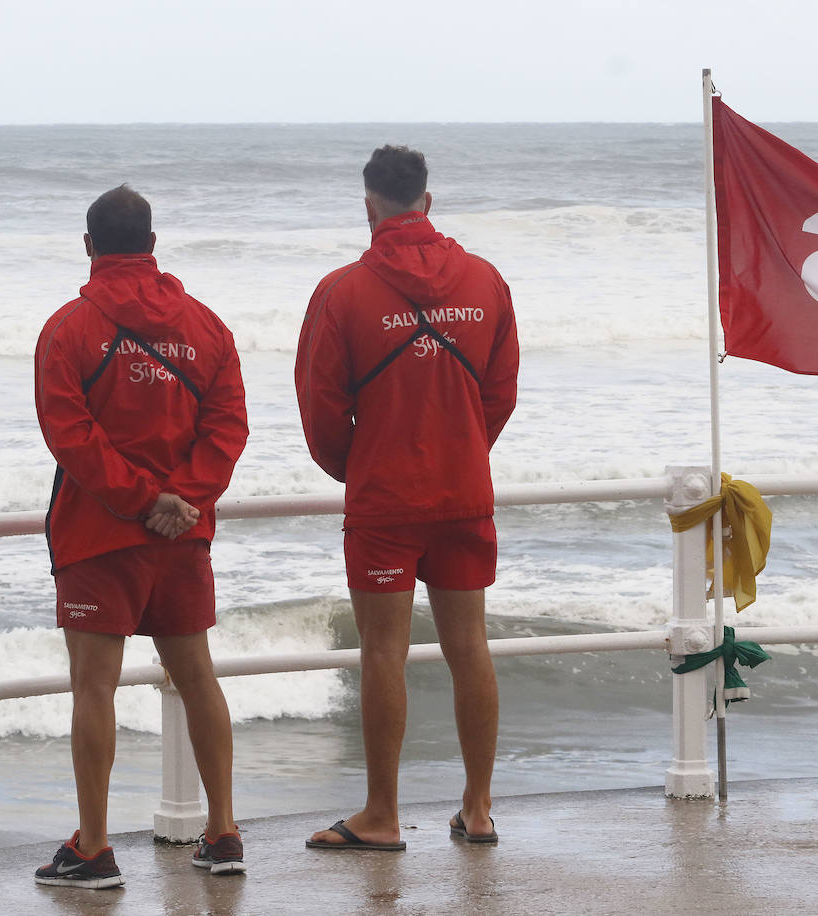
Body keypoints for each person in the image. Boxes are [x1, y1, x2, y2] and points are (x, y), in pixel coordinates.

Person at [295, 145, 519, 851]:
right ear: (428, 201)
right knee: (469, 646)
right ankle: (477, 809)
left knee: (383, 653)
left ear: (369, 207)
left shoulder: (341, 292)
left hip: (385, 498)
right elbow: (500, 392)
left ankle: (383, 816)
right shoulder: (485, 281)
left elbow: (319, 408)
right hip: (463, 492)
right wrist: (460, 448)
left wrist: (357, 465)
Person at [33, 185, 250, 887]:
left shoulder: (67, 329)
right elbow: (229, 426)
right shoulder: (208, 327)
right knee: (197, 675)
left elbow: (71, 436)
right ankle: (222, 834)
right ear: (152, 246)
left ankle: (93, 848)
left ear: (90, 245)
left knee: (95, 686)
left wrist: (138, 499)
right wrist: (182, 499)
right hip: (182, 537)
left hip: (100, 535)